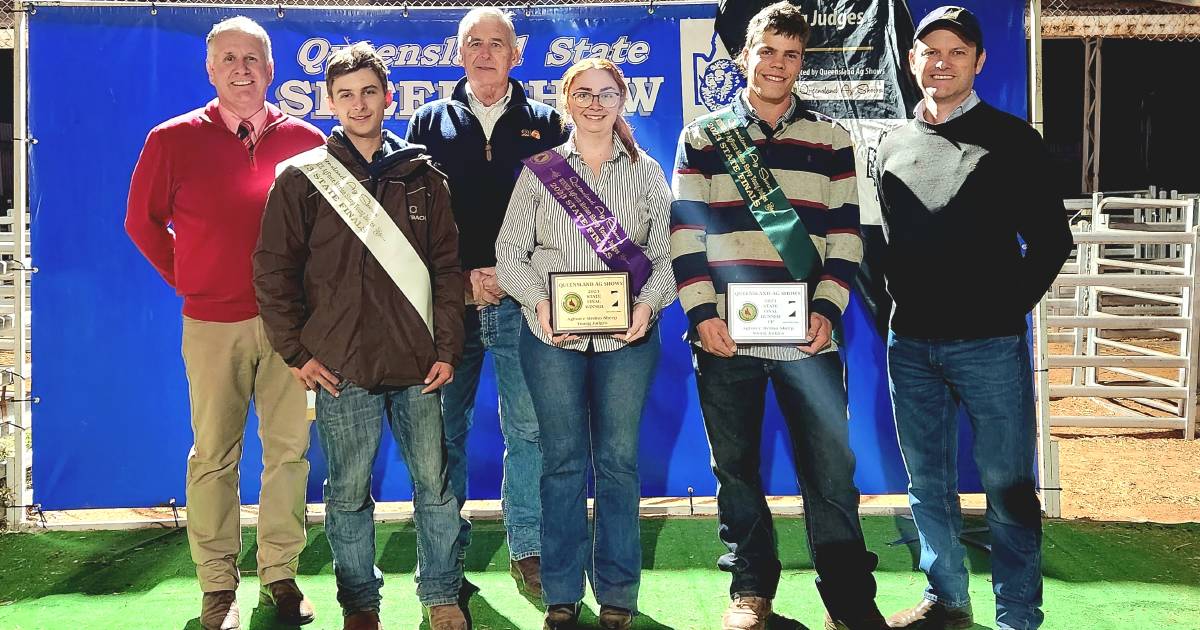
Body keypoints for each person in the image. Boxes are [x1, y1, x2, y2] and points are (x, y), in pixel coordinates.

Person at [669, 3, 888, 629]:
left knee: (830, 469)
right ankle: (750, 589)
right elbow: (687, 231)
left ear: (801, 63)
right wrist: (702, 314)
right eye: (767, 51)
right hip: (724, 337)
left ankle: (847, 596)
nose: (777, 65)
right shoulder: (704, 136)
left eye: (790, 55)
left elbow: (846, 235)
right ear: (746, 55)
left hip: (809, 337)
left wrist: (827, 308)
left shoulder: (831, 140)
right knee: (735, 470)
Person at [253, 42, 467, 630]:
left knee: (435, 488)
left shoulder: (424, 177)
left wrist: (447, 347)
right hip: (341, 366)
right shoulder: (302, 179)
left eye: (370, 91)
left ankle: (441, 593)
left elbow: (448, 268)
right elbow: (273, 271)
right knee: (346, 494)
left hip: (419, 363)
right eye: (345, 94)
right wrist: (296, 351)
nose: (359, 103)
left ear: (389, 96)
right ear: (329, 103)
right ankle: (360, 604)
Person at [875, 7, 1073, 630]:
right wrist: (897, 306)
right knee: (926, 485)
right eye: (929, 51)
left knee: (1008, 488)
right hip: (910, 345)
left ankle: (1017, 614)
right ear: (911, 62)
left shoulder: (1014, 140)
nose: (942, 61)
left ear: (979, 61)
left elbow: (1051, 242)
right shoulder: (893, 143)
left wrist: (1001, 308)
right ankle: (948, 601)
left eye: (957, 51)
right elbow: (882, 242)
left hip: (988, 345)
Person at [125, 16, 324, 630]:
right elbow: (142, 222)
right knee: (214, 455)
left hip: (292, 329)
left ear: (271, 69)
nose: (242, 69)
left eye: (253, 58)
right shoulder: (172, 139)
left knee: (288, 453)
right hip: (212, 324)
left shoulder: (308, 141)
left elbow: (328, 236)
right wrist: (191, 278)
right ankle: (217, 585)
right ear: (209, 70)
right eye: (229, 59)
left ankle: (281, 576)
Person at [496, 58, 676, 630]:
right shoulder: (540, 171)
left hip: (629, 337)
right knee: (563, 463)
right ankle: (562, 595)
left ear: (622, 100)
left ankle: (618, 593)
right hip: (554, 338)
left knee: (620, 464)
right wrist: (539, 303)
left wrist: (647, 306)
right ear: (567, 101)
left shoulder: (646, 173)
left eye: (606, 94)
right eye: (584, 94)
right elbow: (509, 254)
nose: (596, 104)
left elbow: (669, 255)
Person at [405, 7, 567, 599]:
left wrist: (514, 276)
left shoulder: (548, 123)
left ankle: (527, 547)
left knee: (529, 428)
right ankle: (444, 559)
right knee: (443, 432)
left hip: (525, 304)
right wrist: (457, 280)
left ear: (515, 54)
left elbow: (565, 217)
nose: (484, 52)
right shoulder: (426, 122)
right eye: (472, 42)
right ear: (458, 52)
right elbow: (411, 218)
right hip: (449, 306)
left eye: (496, 43)